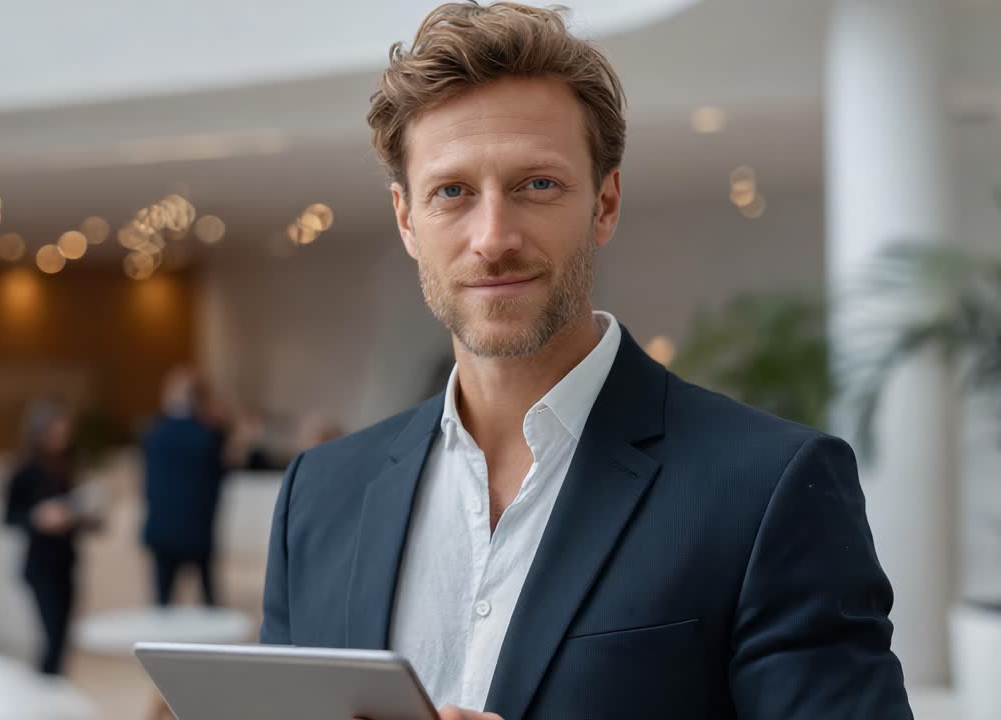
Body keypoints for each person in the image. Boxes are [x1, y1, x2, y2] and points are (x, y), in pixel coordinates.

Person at [259, 4, 912, 720]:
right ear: (407, 219)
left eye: (537, 185)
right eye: (452, 192)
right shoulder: (317, 497)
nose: (493, 237)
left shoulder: (769, 489)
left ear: (604, 203)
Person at [2, 399, 82, 676]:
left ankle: (55, 686)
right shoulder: (24, 470)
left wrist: (80, 514)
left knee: (62, 637)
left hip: (66, 560)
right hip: (40, 564)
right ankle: (45, 688)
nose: (62, 435)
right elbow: (8, 516)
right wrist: (38, 517)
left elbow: (74, 510)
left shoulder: (65, 465)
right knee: (50, 636)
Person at [141, 367, 230, 606]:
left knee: (163, 603)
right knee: (209, 600)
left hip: (162, 528)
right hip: (197, 528)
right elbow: (222, 473)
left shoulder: (154, 433)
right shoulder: (208, 435)